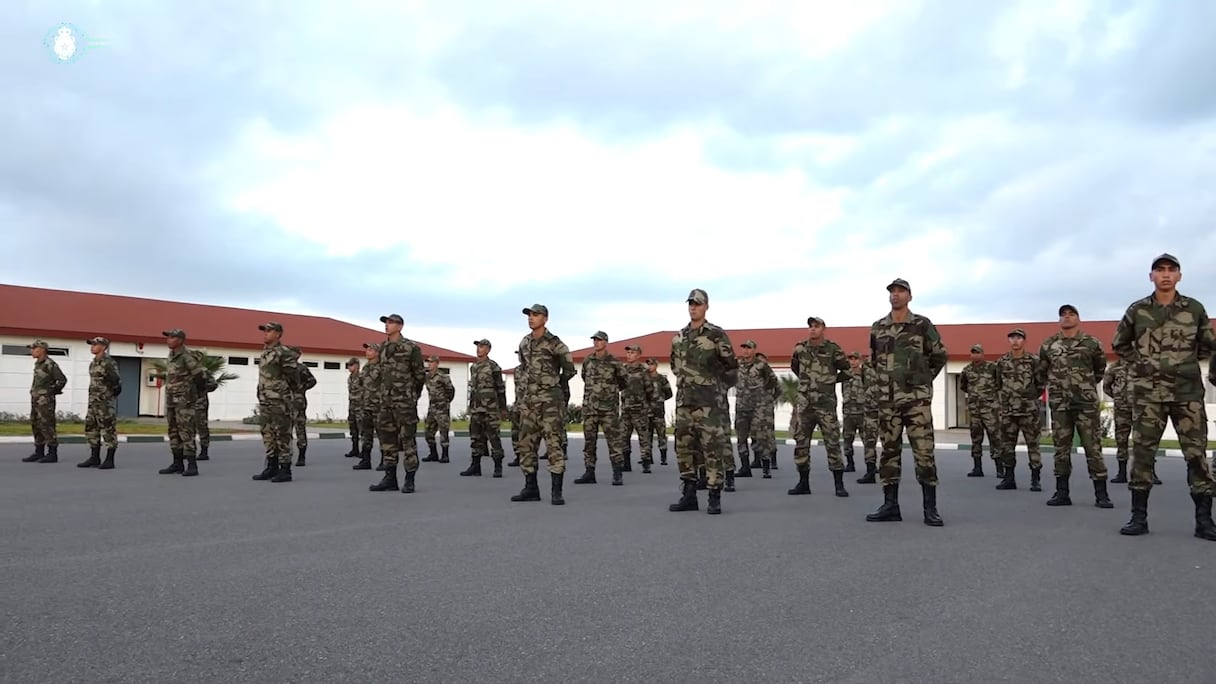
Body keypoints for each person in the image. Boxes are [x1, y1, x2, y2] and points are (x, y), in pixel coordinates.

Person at [1112, 253, 1216, 540]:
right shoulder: (1138, 310)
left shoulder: (1194, 309)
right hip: (1148, 396)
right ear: (1152, 277)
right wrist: (1142, 364)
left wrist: (1184, 364)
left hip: (1187, 394)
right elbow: (1120, 343)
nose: (1166, 275)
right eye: (1160, 270)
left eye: (1172, 270)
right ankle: (1138, 517)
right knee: (1143, 454)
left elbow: (1208, 345)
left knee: (1196, 456)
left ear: (1179, 276)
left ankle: (1204, 521)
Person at [864, 279, 948, 526]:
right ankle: (891, 506)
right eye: (892, 292)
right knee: (889, 453)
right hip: (887, 402)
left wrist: (921, 381)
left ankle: (930, 509)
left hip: (916, 401)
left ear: (910, 296)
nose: (895, 295)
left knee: (924, 452)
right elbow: (874, 359)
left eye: (900, 291)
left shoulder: (921, 325)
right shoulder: (878, 327)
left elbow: (940, 355)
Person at [668, 289, 738, 515]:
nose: (693, 307)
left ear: (706, 306)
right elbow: (675, 366)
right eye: (690, 304)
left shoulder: (716, 335)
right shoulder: (678, 338)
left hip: (709, 406)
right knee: (684, 449)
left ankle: (714, 495)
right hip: (684, 404)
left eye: (697, 304)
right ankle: (689, 495)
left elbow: (731, 368)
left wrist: (716, 389)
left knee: (711, 450)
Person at [1037, 305, 1112, 508]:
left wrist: (1083, 386)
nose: (1067, 318)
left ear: (1078, 318)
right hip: (1060, 404)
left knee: (1092, 447)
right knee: (1061, 448)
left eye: (1071, 314)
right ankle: (1062, 493)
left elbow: (1099, 369)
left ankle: (1101, 494)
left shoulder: (1091, 343)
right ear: (1059, 320)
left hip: (1085, 403)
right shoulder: (1049, 345)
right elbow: (1042, 372)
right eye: (1063, 315)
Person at [511, 304, 576, 504]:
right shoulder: (524, 343)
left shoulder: (555, 344)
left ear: (545, 319)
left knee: (554, 445)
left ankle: (556, 491)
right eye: (529, 315)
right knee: (526, 446)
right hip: (529, 403)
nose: (531, 318)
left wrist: (554, 387)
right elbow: (523, 368)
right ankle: (531, 488)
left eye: (536, 315)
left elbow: (569, 369)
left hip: (550, 404)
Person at [789, 317, 851, 498]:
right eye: (810, 327)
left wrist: (830, 380)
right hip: (805, 404)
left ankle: (839, 484)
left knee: (832, 443)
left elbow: (847, 371)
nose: (812, 330)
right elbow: (795, 368)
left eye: (816, 326)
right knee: (801, 444)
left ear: (824, 329)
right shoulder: (800, 348)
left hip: (825, 405)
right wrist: (807, 382)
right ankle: (803, 483)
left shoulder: (833, 349)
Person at [369, 313, 427, 494]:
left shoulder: (411, 348)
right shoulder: (383, 347)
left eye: (391, 322)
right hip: (385, 402)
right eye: (386, 322)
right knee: (388, 441)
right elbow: (380, 374)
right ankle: (390, 478)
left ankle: (409, 479)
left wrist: (411, 395)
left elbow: (419, 376)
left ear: (400, 326)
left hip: (404, 402)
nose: (387, 325)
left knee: (408, 441)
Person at [252, 322, 302, 482]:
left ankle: (285, 469)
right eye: (264, 331)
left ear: (278, 334)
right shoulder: (265, 353)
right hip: (266, 400)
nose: (265, 333)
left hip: (280, 401)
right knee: (267, 433)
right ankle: (271, 466)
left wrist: (285, 393)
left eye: (269, 331)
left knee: (282, 434)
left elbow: (294, 377)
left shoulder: (283, 353)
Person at [575, 331, 627, 485]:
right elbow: (585, 377)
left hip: (608, 409)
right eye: (594, 340)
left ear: (606, 342)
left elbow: (623, 381)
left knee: (614, 441)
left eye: (599, 340)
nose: (596, 342)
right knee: (589, 442)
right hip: (590, 408)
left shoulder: (614, 362)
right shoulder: (588, 360)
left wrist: (609, 392)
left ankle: (617, 473)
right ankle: (589, 472)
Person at [157, 329, 206, 477]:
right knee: (173, 431)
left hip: (185, 401)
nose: (168, 340)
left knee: (186, 431)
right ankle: (177, 463)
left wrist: (196, 393)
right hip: (172, 399)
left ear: (180, 340)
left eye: (172, 337)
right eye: (168, 337)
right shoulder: (171, 356)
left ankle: (192, 465)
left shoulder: (186, 356)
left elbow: (199, 375)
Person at [463, 340, 509, 478]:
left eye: (481, 346)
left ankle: (498, 466)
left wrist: (503, 408)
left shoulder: (493, 367)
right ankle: (475, 466)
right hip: (477, 408)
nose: (478, 349)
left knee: (494, 437)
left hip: (490, 409)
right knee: (475, 437)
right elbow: (473, 389)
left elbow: (500, 388)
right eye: (477, 346)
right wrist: (471, 407)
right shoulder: (474, 367)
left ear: (488, 349)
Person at [78, 337, 121, 469]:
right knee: (91, 428)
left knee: (108, 429)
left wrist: (108, 397)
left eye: (95, 344)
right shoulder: (93, 363)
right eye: (91, 344)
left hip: (104, 402)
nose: (92, 347)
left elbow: (116, 382)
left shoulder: (108, 363)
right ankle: (94, 457)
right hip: (93, 401)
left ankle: (109, 459)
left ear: (103, 347)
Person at [22, 340, 67, 464]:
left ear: (42, 349)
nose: (31, 351)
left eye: (34, 348)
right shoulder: (38, 364)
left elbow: (62, 380)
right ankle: (39, 451)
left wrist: (50, 392)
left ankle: (52, 453)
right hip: (35, 398)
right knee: (36, 423)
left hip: (45, 400)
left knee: (47, 424)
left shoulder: (50, 364)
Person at [959, 344, 1000, 477]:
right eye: (973, 353)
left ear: (983, 354)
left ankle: (1000, 469)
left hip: (990, 411)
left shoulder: (992, 367)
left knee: (995, 438)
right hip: (975, 411)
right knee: (976, 439)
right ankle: (977, 468)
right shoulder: (967, 370)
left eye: (977, 352)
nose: (975, 355)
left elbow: (1000, 383)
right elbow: (963, 386)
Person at [422, 355, 455, 463]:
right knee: (428, 431)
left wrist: (445, 402)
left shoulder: (442, 376)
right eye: (428, 362)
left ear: (436, 363)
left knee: (443, 431)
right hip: (432, 407)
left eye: (431, 362)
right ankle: (433, 453)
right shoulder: (427, 377)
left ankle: (445, 455)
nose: (429, 364)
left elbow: (451, 390)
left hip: (442, 408)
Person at [647, 358, 673, 466]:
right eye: (648, 364)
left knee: (661, 435)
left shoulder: (662, 379)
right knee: (647, 436)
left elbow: (669, 393)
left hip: (658, 411)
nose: (650, 366)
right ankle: (648, 458)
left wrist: (660, 399)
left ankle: (663, 457)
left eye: (652, 364)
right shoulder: (644, 379)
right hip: (646, 411)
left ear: (656, 366)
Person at [344, 357, 363, 458]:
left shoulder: (361, 377)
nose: (349, 367)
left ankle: (364, 451)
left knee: (361, 429)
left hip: (360, 406)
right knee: (353, 429)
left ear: (356, 365)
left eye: (350, 365)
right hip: (352, 405)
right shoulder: (350, 378)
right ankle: (355, 449)